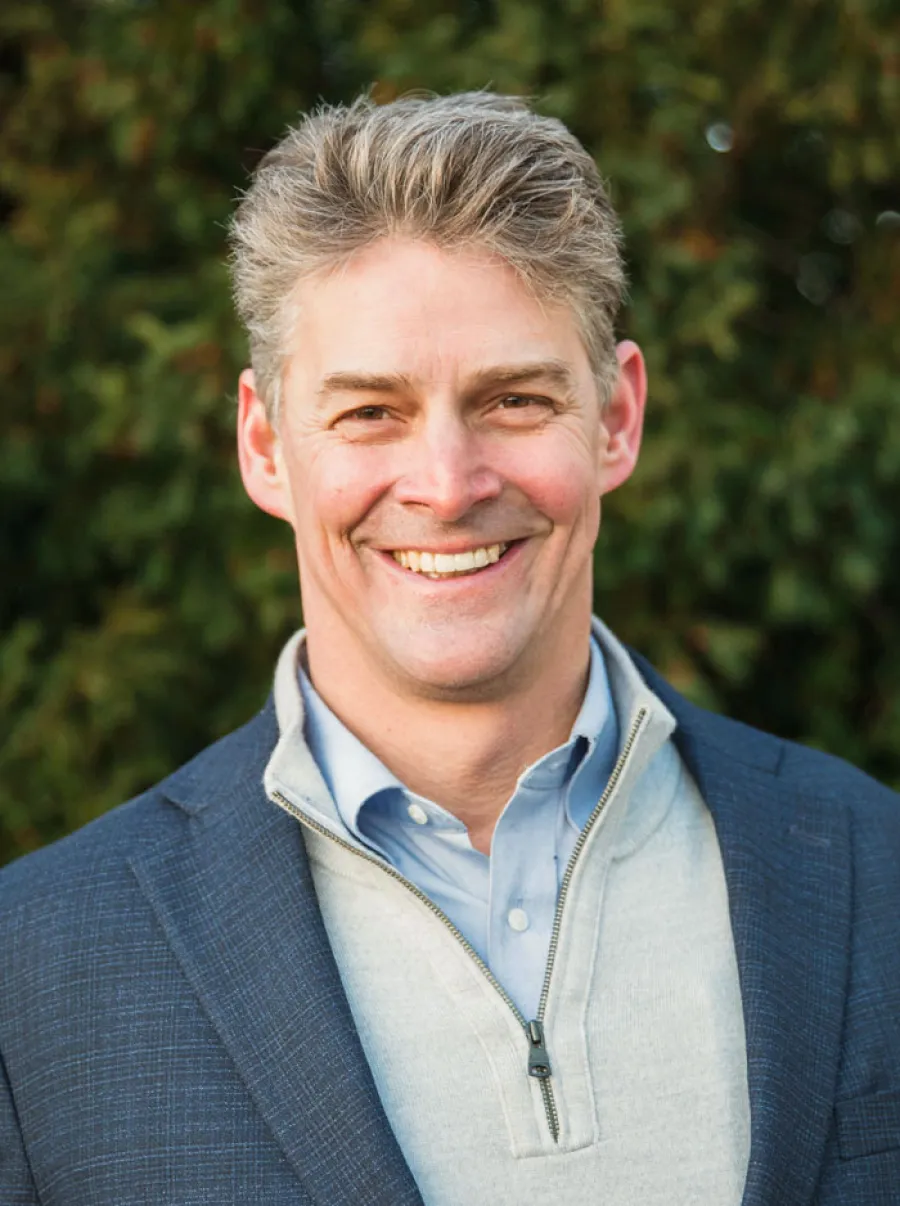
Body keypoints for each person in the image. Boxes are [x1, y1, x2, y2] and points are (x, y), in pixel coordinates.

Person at [1, 92, 898, 1206]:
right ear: (265, 445)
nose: (447, 484)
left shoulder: (872, 868)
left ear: (615, 418)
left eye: (514, 399)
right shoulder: (34, 969)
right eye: (370, 412)